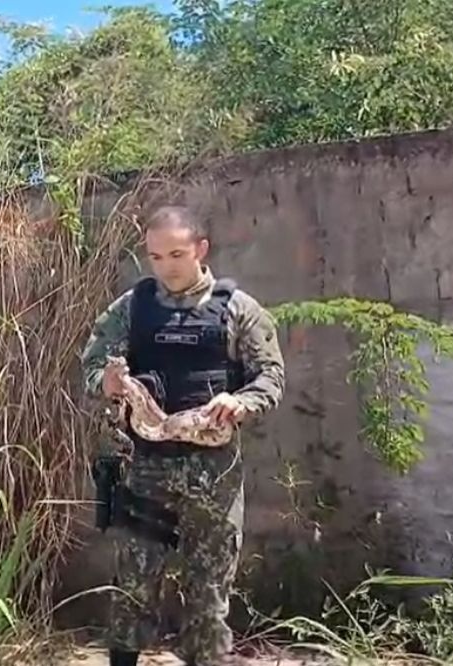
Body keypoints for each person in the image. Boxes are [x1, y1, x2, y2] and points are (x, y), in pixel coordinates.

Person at [80, 205, 286, 666]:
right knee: (133, 588)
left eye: (176, 253)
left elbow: (270, 378)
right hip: (147, 468)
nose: (166, 266)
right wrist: (107, 383)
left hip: (214, 474)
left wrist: (240, 403)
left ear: (200, 249)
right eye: (155, 257)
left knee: (209, 595)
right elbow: (92, 367)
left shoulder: (237, 309)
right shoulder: (132, 308)